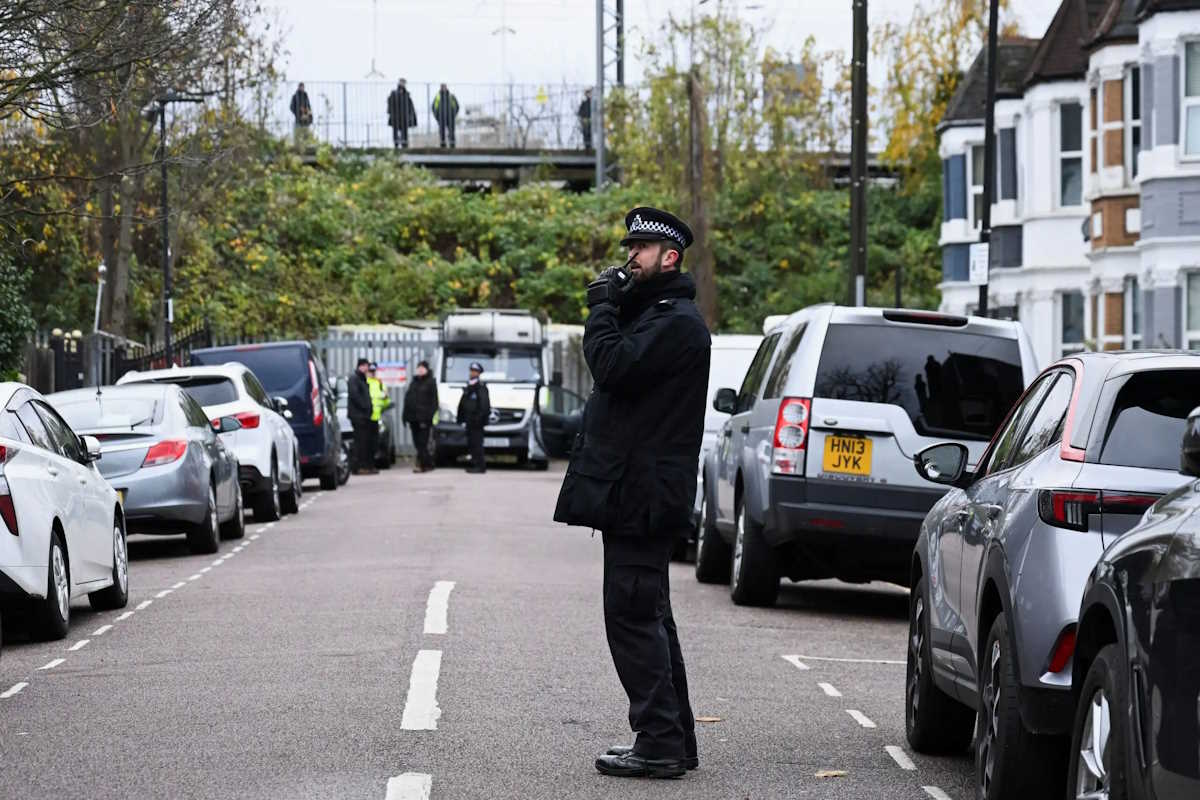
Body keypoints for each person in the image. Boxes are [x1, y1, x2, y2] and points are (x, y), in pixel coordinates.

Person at [553, 207, 710, 780]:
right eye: (629, 248)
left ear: (669, 258)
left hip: (644, 495)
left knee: (632, 615)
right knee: (650, 614)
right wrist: (616, 305)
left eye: (640, 250)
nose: (629, 259)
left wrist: (602, 308)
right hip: (638, 492)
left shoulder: (676, 322)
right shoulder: (659, 315)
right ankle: (674, 739)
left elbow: (612, 365)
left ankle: (659, 743)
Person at [403, 359, 438, 473]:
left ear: (427, 370)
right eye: (419, 368)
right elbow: (408, 399)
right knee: (417, 443)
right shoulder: (414, 382)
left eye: (422, 368)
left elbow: (434, 402)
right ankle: (429, 463)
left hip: (424, 419)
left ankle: (423, 465)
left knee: (422, 443)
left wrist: (429, 416)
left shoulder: (431, 382)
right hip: (413, 418)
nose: (420, 370)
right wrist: (405, 416)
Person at [456, 361, 490, 473]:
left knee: (477, 444)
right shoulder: (469, 386)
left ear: (479, 373)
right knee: (471, 444)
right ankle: (475, 464)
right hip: (469, 421)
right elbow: (463, 403)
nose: (472, 373)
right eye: (471, 371)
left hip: (476, 422)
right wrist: (460, 418)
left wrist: (478, 419)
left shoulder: (480, 387)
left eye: (475, 371)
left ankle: (480, 466)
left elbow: (484, 406)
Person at [348, 358, 376, 475]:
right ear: (360, 366)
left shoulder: (362, 379)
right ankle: (359, 466)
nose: (367, 368)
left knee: (366, 442)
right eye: (365, 366)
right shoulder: (355, 379)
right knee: (360, 442)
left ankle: (366, 466)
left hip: (364, 416)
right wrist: (365, 407)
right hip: (358, 415)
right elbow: (355, 396)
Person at [367, 362, 392, 467]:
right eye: (370, 371)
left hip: (377, 418)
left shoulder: (380, 384)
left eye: (374, 371)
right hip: (366, 417)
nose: (372, 373)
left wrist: (386, 398)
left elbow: (387, 402)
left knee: (376, 442)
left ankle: (373, 463)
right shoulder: (364, 383)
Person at [387, 79, 418, 150]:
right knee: (395, 132)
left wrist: (411, 117)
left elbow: (411, 107)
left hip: (404, 116)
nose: (402, 84)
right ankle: (396, 144)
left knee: (404, 132)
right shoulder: (393, 93)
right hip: (395, 116)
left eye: (403, 83)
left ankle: (404, 145)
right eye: (401, 82)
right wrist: (391, 113)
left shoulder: (407, 95)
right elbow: (390, 103)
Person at [432, 83, 459, 149]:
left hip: (450, 117)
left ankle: (452, 145)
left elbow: (457, 106)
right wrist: (437, 117)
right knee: (442, 132)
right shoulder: (438, 97)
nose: (443, 88)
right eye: (442, 86)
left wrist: (453, 115)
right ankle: (443, 145)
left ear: (446, 87)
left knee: (451, 132)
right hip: (441, 118)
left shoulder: (451, 96)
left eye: (444, 86)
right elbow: (434, 108)